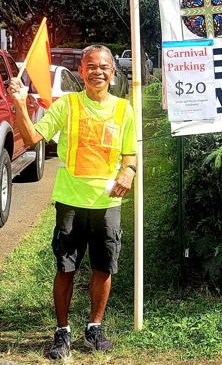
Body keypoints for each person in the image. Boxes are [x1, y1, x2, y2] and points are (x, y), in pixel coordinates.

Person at [8, 45, 137, 360]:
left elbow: (129, 155)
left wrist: (129, 172)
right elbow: (33, 136)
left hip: (108, 203)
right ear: (82, 71)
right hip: (70, 202)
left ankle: (95, 327)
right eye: (91, 66)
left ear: (112, 72)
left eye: (104, 66)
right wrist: (20, 103)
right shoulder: (66, 106)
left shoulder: (124, 110)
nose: (98, 71)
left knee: (103, 268)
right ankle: (62, 332)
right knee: (66, 268)